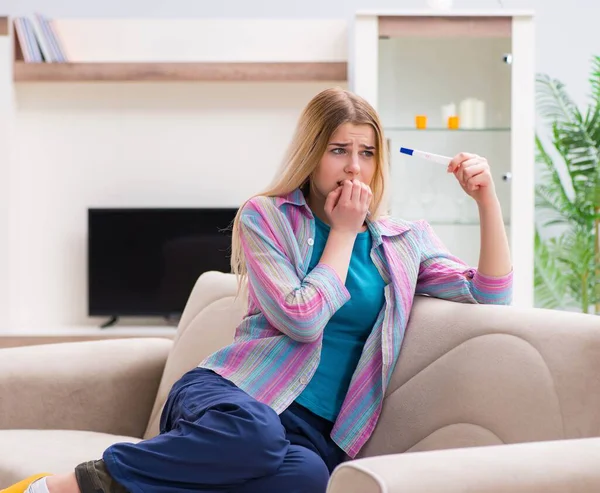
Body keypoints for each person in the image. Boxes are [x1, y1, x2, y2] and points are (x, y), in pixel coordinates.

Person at [5, 87, 513, 493]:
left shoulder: (403, 244)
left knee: (308, 479)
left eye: (366, 153)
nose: (354, 167)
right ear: (312, 156)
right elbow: (303, 318)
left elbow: (490, 296)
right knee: (255, 433)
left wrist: (486, 199)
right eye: (338, 151)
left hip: (314, 431)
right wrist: (343, 232)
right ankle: (65, 487)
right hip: (233, 397)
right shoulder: (266, 217)